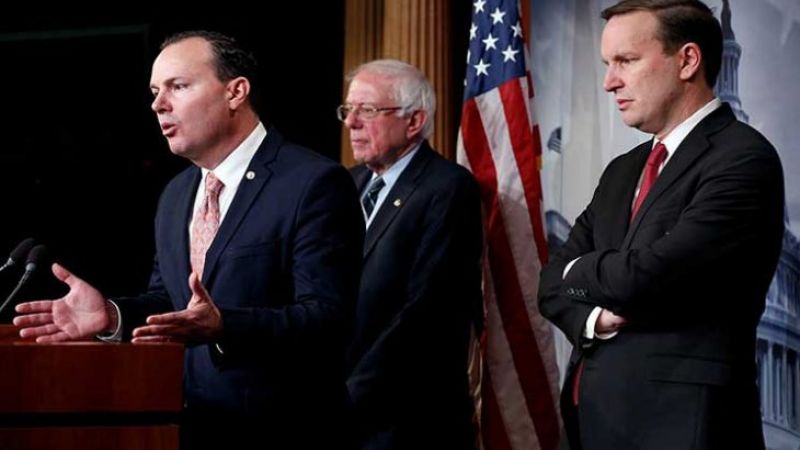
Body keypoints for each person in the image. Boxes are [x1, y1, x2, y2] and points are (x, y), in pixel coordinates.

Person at [13, 30, 364, 449]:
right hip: (189, 430)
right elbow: (170, 301)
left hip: (286, 432)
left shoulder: (312, 183)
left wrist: (224, 326)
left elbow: (327, 319)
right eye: (155, 92)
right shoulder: (177, 194)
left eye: (178, 86)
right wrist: (112, 315)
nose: (158, 104)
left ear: (235, 92)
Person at [537, 1, 784, 449]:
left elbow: (646, 277)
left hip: (683, 429)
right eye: (607, 64)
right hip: (594, 424)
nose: (610, 82)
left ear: (687, 60)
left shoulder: (743, 160)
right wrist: (593, 317)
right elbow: (549, 285)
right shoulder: (622, 170)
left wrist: (578, 270)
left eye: (626, 61)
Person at [340, 59, 483, 449]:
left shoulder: (448, 188)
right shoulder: (348, 184)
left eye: (367, 110)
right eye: (348, 110)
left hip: (408, 419)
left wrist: (349, 395)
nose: (351, 122)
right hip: (343, 414)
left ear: (414, 120)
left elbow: (427, 311)